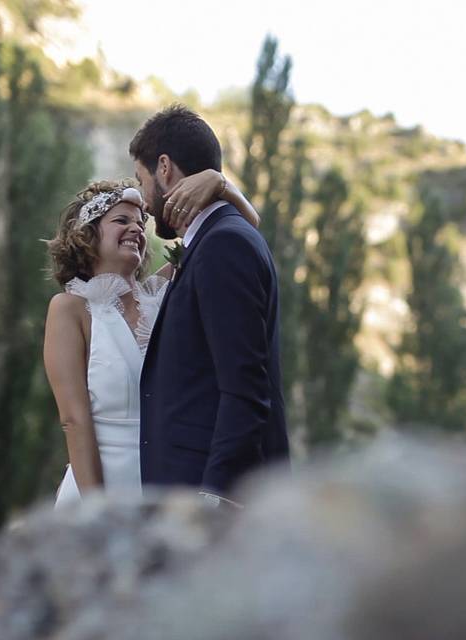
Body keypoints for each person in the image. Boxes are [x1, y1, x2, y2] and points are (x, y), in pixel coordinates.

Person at [44, 169, 258, 507]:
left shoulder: (164, 294)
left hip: (165, 488)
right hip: (98, 492)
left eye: (141, 223)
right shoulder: (70, 309)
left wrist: (221, 184)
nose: (136, 228)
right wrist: (97, 511)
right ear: (88, 234)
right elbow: (74, 418)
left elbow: (242, 228)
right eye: (121, 220)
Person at [130, 105, 289, 508]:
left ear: (164, 167)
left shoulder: (224, 244)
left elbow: (246, 387)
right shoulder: (213, 240)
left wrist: (215, 495)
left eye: (141, 180)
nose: (145, 205)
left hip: (209, 497)